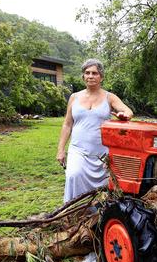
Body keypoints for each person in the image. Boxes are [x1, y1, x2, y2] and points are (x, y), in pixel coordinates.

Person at [56, 58, 133, 203]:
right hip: (78, 149)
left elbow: (128, 111)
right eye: (87, 73)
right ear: (83, 76)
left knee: (104, 187)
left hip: (101, 153)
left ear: (101, 77)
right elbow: (67, 124)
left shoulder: (109, 97)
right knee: (73, 175)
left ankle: (95, 212)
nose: (90, 76)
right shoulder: (74, 97)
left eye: (95, 73)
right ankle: (73, 209)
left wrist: (124, 115)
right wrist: (61, 149)